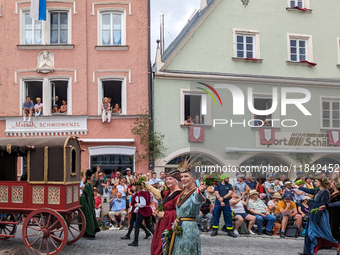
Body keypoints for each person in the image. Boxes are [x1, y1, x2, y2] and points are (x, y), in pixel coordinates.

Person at [167, 157, 208, 255]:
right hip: (178, 226)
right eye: (182, 177)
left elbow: (198, 198)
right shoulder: (183, 192)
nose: (183, 179)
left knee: (186, 251)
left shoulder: (196, 192)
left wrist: (201, 190)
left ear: (194, 178)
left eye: (186, 176)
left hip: (189, 229)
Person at [294, 179, 339, 255]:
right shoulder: (318, 191)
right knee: (309, 233)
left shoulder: (325, 192)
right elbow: (308, 190)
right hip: (313, 214)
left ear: (321, 183)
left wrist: (310, 202)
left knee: (318, 233)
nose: (314, 183)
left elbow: (323, 205)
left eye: (316, 182)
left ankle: (336, 245)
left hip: (320, 215)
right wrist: (298, 187)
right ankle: (307, 252)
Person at [142, 169, 182, 254]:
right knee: (158, 243)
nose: (167, 181)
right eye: (167, 179)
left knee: (166, 246)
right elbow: (159, 193)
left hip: (170, 224)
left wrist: (164, 214)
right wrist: (148, 186)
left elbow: (180, 212)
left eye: (170, 179)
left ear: (176, 181)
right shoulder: (168, 192)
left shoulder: (179, 195)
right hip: (163, 222)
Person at [211, 173, 237, 238]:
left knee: (228, 216)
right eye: (227, 178)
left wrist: (223, 199)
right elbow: (216, 193)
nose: (228, 179)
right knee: (216, 215)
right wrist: (221, 200)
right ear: (223, 178)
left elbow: (230, 193)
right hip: (218, 202)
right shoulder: (217, 185)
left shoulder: (230, 185)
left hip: (226, 202)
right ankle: (215, 230)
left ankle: (230, 231)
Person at [79, 169, 100, 238]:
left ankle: (89, 231)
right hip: (88, 202)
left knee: (86, 217)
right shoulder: (89, 184)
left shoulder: (88, 185)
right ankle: (86, 231)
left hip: (85, 203)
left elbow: (87, 196)